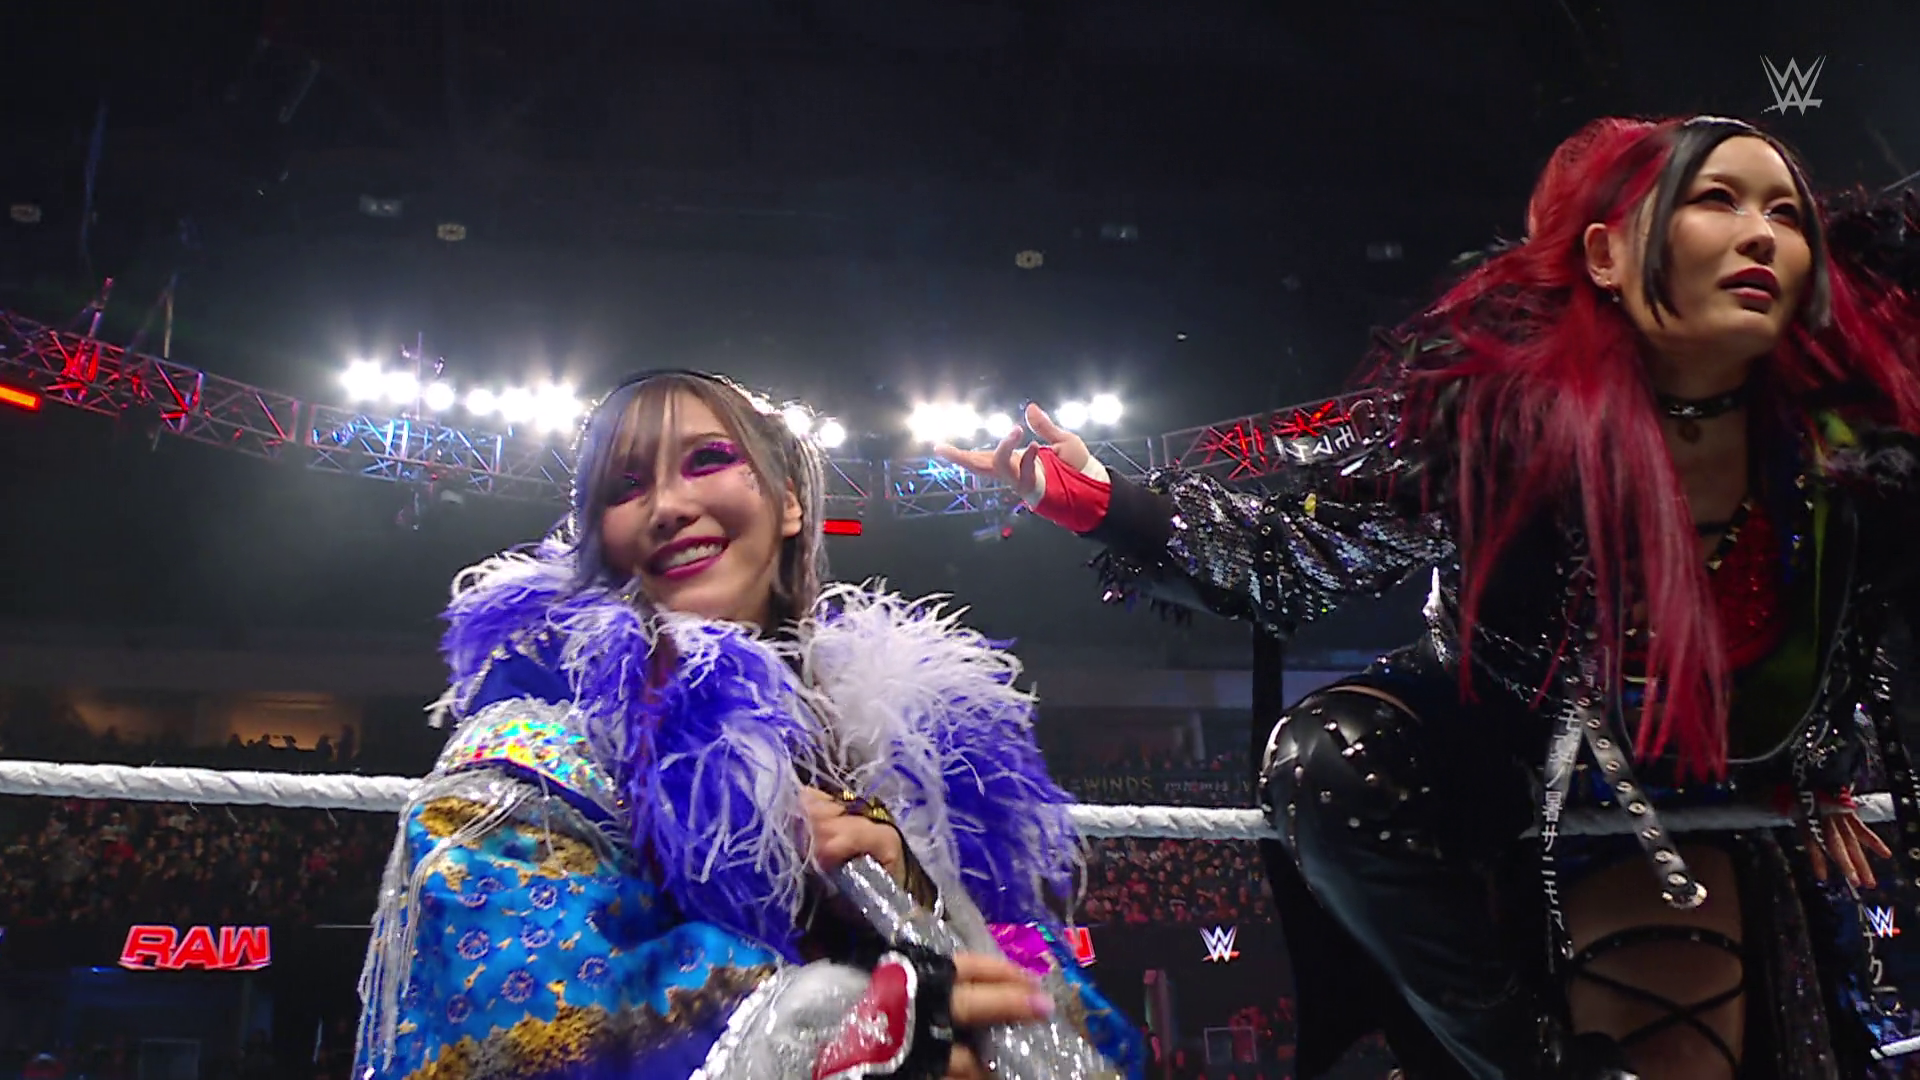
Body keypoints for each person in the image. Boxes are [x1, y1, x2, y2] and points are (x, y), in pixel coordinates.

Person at [938, 115, 1920, 1080]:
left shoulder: (1848, 454)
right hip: (1495, 743)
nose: (1762, 234)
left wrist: (1817, 765)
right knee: (1330, 760)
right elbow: (1293, 557)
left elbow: (1848, 633)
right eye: (1719, 200)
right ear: (1606, 256)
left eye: (1787, 214)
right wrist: (1101, 499)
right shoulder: (1504, 426)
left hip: (1694, 785)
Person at [352, 370, 1143, 1079]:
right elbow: (509, 1015)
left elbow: (1072, 1037)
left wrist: (921, 897)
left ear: (789, 502)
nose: (668, 506)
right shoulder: (540, 735)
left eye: (707, 460)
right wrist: (842, 1035)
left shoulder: (912, 764)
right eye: (625, 486)